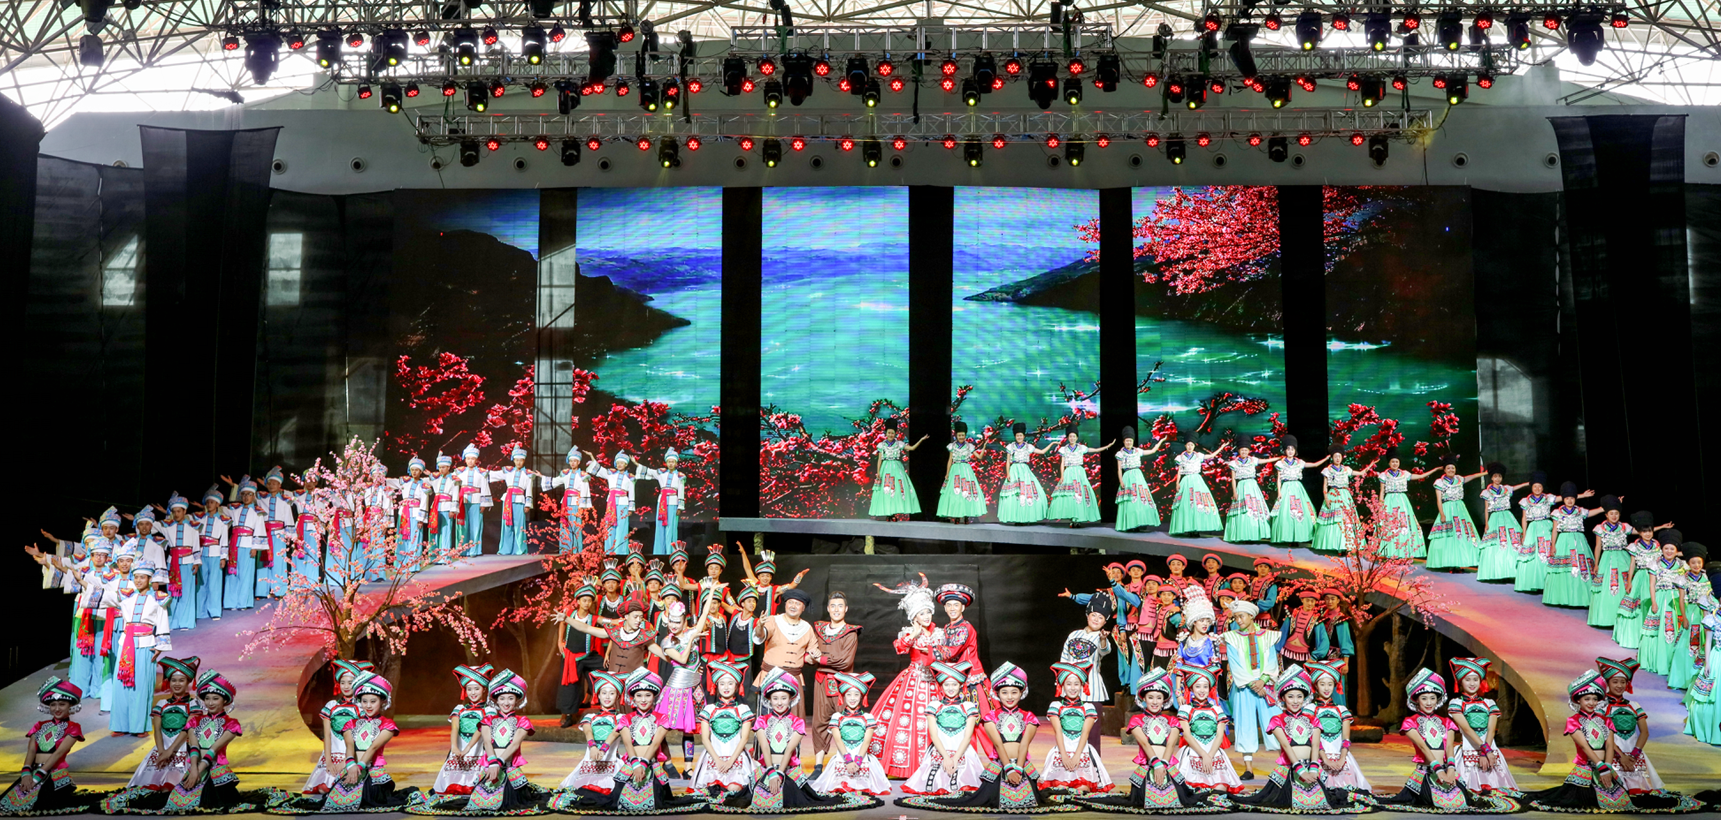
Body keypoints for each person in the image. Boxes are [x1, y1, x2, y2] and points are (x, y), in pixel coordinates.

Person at [1524, 671, 1704, 813]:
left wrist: (1608, 767)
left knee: (1625, 803)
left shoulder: (1605, 719)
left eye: (1595, 699)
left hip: (1607, 767)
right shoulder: (1573, 721)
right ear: (1578, 700)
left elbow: (1609, 744)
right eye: (1587, 699)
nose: (1592, 702)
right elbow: (1585, 747)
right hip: (1586, 769)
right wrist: (1601, 767)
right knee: (1575, 802)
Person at [100, 671, 273, 814]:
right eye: (207, 698)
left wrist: (197, 770)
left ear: (225, 701)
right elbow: (194, 747)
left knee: (211, 803)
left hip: (215, 770)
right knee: (173, 802)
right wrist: (193, 769)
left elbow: (213, 749)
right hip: (195, 767)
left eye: (215, 699)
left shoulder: (232, 724)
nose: (210, 703)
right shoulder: (195, 721)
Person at [898, 662, 1056, 813]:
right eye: (1004, 692)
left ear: (1022, 693)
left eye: (1014, 692)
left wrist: (1019, 770)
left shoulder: (1028, 717)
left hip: (1022, 766)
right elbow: (998, 744)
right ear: (997, 694)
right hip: (1001, 766)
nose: (1009, 696)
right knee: (991, 800)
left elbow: (1024, 745)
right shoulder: (991, 717)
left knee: (1030, 802)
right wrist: (1008, 769)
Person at [1074, 668, 1223, 813]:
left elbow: (1171, 744)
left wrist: (1163, 764)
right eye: (1150, 697)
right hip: (1147, 767)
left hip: (1168, 767)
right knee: (1145, 802)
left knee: (1181, 800)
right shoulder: (1136, 720)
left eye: (1159, 698)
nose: (1155, 702)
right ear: (1143, 699)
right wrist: (1156, 764)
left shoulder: (1172, 720)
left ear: (1164, 700)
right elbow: (1144, 743)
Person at [1377, 668, 1520, 813]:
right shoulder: (1410, 722)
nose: (1429, 702)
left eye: (1432, 698)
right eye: (1424, 698)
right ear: (1417, 700)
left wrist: (1451, 769)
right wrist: (1438, 770)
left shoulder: (1447, 722)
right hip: (1425, 774)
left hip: (1447, 771)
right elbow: (1423, 747)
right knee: (1438, 803)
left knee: (1463, 802)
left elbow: (1450, 747)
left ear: (1437, 700)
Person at [1231, 666, 1371, 813]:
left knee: (1323, 803)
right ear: (1283, 698)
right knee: (1281, 803)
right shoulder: (1277, 720)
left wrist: (1314, 768)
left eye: (1299, 696)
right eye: (1290, 696)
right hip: (1290, 768)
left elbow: (1316, 745)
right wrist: (1300, 770)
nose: (1295, 701)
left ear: (1304, 699)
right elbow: (1286, 746)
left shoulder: (1313, 719)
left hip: (1312, 767)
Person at [277, 672, 419, 813]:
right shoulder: (351, 723)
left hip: (373, 772)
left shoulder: (387, 724)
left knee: (367, 798)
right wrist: (351, 765)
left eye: (373, 701)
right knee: (334, 801)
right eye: (364, 701)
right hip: (351, 768)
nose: (368, 706)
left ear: (382, 701)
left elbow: (373, 747)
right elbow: (349, 746)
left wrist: (359, 767)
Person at [422, 669, 551, 815]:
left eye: (510, 698)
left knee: (510, 803)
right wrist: (493, 762)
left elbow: (515, 744)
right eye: (502, 698)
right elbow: (487, 743)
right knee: (478, 803)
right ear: (496, 700)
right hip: (490, 767)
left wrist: (499, 762)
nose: (506, 702)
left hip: (510, 769)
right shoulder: (488, 720)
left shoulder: (523, 721)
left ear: (517, 700)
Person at [732, 671, 860, 812]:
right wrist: (771, 772)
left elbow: (789, 750)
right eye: (775, 698)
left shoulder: (797, 722)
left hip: (788, 770)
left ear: (790, 699)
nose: (779, 702)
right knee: (757, 801)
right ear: (769, 700)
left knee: (789, 800)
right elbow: (765, 748)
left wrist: (780, 773)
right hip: (767, 768)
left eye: (783, 698)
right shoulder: (762, 720)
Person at [870, 576, 944, 779]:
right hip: (912, 682)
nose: (926, 616)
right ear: (914, 616)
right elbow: (900, 648)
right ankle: (904, 766)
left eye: (928, 612)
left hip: (935, 682)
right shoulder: (908, 632)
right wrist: (914, 634)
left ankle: (933, 764)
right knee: (905, 723)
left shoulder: (939, 633)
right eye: (922, 613)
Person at [0, 678, 94, 816]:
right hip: (33, 771)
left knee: (36, 806)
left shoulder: (73, 728)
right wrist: (26, 773)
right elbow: (31, 750)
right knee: (6, 804)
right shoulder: (39, 725)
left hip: (54, 774)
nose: (57, 708)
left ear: (70, 706)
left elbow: (59, 753)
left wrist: (38, 776)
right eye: (53, 705)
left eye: (62, 704)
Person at [104, 564, 174, 736]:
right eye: (136, 577)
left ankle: (139, 726)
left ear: (150, 579)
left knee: (141, 686)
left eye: (142, 577)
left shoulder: (159, 599)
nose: (138, 580)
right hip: (126, 644)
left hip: (146, 645)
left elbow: (162, 621)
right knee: (121, 685)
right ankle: (120, 725)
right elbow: (101, 596)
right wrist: (79, 579)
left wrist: (160, 647)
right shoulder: (126, 596)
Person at [901, 661, 987, 796]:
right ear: (941, 686)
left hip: (963, 751)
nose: (950, 688)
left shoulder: (968, 707)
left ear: (961, 685)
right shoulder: (934, 706)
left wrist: (955, 758)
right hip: (940, 750)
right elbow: (934, 735)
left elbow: (968, 736)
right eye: (946, 685)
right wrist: (946, 758)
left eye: (954, 684)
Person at [648, 599, 712, 775]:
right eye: (671, 621)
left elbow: (704, 615)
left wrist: (711, 592)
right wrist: (692, 640)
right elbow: (683, 660)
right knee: (662, 728)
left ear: (684, 621)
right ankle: (656, 761)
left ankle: (688, 768)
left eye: (678, 621)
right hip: (676, 688)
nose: (673, 625)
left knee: (689, 731)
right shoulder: (667, 642)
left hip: (694, 687)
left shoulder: (691, 632)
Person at [1223, 599, 1281, 780]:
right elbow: (1235, 665)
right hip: (1245, 686)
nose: (1238, 620)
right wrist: (1253, 684)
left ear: (1251, 616)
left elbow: (1272, 661)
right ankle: (1248, 768)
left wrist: (1263, 681)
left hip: (1266, 684)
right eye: (1236, 617)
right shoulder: (1232, 637)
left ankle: (1284, 764)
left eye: (1241, 616)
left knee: (1274, 722)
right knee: (1245, 723)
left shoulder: (1268, 636)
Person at [124, 656, 202, 792]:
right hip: (161, 749)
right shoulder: (162, 704)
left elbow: (187, 730)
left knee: (172, 787)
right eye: (174, 680)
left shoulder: (193, 704)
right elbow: (157, 730)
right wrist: (161, 752)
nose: (177, 684)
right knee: (148, 787)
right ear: (169, 681)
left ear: (188, 681)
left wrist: (170, 752)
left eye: (181, 680)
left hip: (182, 749)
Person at [808, 671, 889, 797]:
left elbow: (866, 742)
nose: (852, 698)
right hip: (843, 757)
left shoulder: (868, 718)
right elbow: (838, 740)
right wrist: (848, 761)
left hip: (861, 758)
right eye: (849, 694)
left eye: (856, 694)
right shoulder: (837, 717)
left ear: (861, 696)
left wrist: (857, 761)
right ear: (843, 696)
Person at [1445, 658, 1518, 796]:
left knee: (1499, 794)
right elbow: (1467, 729)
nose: (1472, 683)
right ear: (1460, 682)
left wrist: (1486, 752)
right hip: (1469, 749)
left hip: (1490, 750)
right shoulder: (1456, 703)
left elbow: (1491, 730)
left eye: (1475, 679)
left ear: (1480, 681)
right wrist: (1484, 749)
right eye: (1468, 680)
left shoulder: (1489, 703)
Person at [809, 592, 863, 776]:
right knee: (819, 722)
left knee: (845, 721)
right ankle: (818, 766)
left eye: (840, 606)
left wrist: (820, 659)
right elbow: (809, 652)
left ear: (846, 609)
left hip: (841, 684)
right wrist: (810, 657)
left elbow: (844, 662)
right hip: (821, 681)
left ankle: (848, 762)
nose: (836, 609)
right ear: (828, 608)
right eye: (833, 606)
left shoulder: (850, 633)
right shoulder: (819, 629)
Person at [1040, 663, 1113, 794]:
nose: (1073, 688)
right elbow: (1058, 731)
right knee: (1058, 788)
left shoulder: (1088, 707)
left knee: (1083, 789)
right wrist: (1064, 756)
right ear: (1062, 685)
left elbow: (1085, 733)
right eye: (1069, 684)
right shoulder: (1056, 706)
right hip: (1061, 751)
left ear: (1082, 686)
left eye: (1076, 684)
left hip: (1082, 751)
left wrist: (1076, 756)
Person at [1595, 657, 1663, 794]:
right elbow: (1602, 734)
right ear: (1607, 682)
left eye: (1623, 682)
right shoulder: (1601, 706)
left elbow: (1644, 732)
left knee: (1641, 794)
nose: (1619, 685)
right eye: (1615, 682)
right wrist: (1621, 756)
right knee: (1615, 793)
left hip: (1633, 755)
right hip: (1611, 754)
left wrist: (1634, 756)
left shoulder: (1634, 705)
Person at [688, 663, 757, 799]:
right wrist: (718, 761)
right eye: (722, 684)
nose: (726, 687)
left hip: (736, 758)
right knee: (710, 792)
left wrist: (730, 762)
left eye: (730, 683)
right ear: (716, 686)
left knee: (734, 791)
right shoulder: (709, 709)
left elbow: (744, 739)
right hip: (713, 758)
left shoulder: (743, 709)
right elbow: (705, 739)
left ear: (737, 686)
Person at [303, 659, 370, 794]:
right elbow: (327, 735)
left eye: (350, 682)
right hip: (332, 755)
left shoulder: (361, 708)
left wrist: (346, 762)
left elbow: (361, 739)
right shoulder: (331, 706)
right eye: (342, 682)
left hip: (352, 756)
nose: (346, 686)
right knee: (323, 789)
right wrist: (328, 761)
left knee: (344, 788)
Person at [430, 664, 495, 797]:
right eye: (469, 689)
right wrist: (454, 746)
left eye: (476, 688)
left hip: (478, 747)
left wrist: (468, 749)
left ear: (484, 689)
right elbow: (455, 728)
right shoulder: (459, 708)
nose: (473, 692)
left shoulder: (489, 710)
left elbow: (481, 729)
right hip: (460, 746)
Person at [1174, 666, 1241, 795]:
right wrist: (1203, 755)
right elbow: (1187, 735)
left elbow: (1220, 736)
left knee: (1220, 790)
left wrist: (1209, 756)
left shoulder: (1217, 710)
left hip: (1214, 753)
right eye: (1198, 686)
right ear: (1191, 688)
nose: (1202, 690)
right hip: (1193, 753)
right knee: (1191, 791)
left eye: (1205, 686)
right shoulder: (1185, 709)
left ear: (1210, 688)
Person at [1307, 661, 1371, 795]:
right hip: (1318, 756)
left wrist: (1342, 759)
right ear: (1315, 686)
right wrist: (1325, 759)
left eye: (1330, 684)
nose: (1326, 688)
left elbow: (1346, 739)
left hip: (1341, 757)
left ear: (1335, 685)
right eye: (1322, 684)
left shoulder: (1342, 710)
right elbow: (1312, 738)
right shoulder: (1310, 709)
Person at [752, 588, 817, 719]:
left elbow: (812, 654)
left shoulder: (807, 628)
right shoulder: (773, 620)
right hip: (771, 676)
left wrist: (812, 657)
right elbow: (761, 635)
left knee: (793, 720)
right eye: (790, 602)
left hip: (794, 678)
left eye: (797, 604)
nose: (793, 606)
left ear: (803, 608)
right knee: (767, 719)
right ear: (785, 604)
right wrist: (759, 626)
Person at [1057, 595, 1114, 728]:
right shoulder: (1073, 634)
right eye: (1094, 615)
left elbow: (1105, 651)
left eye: (1100, 617)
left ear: (1105, 622)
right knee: (1071, 727)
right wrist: (1061, 680)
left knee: (1092, 731)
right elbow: (1064, 658)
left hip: (1092, 689)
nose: (1096, 619)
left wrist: (1103, 639)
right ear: (1087, 615)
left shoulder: (1101, 637)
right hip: (1070, 688)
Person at [1545, 482, 1604, 608]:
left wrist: (1605, 508)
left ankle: (1581, 598)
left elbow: (1591, 512)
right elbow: (1554, 530)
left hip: (1579, 540)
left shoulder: (1580, 511)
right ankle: (1562, 597)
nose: (1570, 500)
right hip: (1563, 540)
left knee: (1581, 567)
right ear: (1563, 499)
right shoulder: (1557, 512)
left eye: (1572, 498)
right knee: (1564, 569)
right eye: (1567, 498)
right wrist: (1553, 545)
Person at [554, 582, 603, 727]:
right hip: (571, 656)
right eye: (584, 600)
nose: (587, 603)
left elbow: (608, 621)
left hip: (587, 655)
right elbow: (562, 623)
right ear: (578, 601)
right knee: (570, 686)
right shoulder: (570, 613)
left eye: (589, 600)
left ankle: (603, 704)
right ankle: (569, 715)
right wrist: (560, 641)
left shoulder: (593, 618)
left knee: (605, 668)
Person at [1425, 456, 1485, 572]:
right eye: (1448, 468)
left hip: (1460, 509)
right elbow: (1438, 500)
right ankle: (1449, 562)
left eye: (1453, 468)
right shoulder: (1440, 482)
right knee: (1448, 537)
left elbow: (1473, 476)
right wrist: (1442, 514)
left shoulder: (1459, 479)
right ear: (1444, 470)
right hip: (1447, 508)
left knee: (1462, 535)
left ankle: (1460, 563)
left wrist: (1485, 473)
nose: (1451, 470)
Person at [1047, 424, 1113, 526]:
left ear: (1077, 437)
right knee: (1070, 495)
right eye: (1070, 436)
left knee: (1080, 494)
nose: (1072, 438)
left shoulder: (1081, 448)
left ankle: (1078, 519)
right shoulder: (1064, 449)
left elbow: (1094, 450)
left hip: (1079, 472)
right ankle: (1072, 518)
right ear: (1067, 438)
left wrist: (1107, 446)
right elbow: (1062, 463)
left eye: (1074, 436)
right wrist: (1062, 476)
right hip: (1069, 472)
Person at [1367, 448, 1427, 560]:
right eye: (1393, 462)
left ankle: (1404, 553)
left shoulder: (1404, 474)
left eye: (1397, 462)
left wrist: (1435, 470)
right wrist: (1381, 506)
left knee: (1405, 524)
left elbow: (1420, 476)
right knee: (1389, 523)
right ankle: (1390, 553)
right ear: (1389, 463)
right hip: (1389, 500)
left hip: (1402, 500)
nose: (1395, 463)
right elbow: (1382, 491)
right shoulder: (1384, 475)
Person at [1270, 435, 1327, 545]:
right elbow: (1278, 479)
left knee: (1301, 511)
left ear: (1295, 451)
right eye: (1288, 449)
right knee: (1286, 513)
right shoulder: (1281, 463)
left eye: (1292, 449)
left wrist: (1326, 459)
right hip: (1286, 488)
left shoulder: (1299, 462)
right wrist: (1279, 492)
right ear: (1285, 450)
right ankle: (1288, 537)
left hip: (1297, 488)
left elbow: (1314, 465)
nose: (1290, 451)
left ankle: (1299, 537)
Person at [1476, 464, 1528, 582]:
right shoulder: (1487, 492)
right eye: (1495, 476)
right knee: (1495, 544)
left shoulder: (1506, 489)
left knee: (1512, 542)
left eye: (1499, 476)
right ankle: (1497, 571)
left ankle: (1511, 570)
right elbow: (1486, 508)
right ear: (1491, 478)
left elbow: (1515, 487)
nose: (1497, 478)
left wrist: (1526, 484)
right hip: (1494, 517)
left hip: (1507, 517)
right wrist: (1486, 523)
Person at [868, 419, 927, 519]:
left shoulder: (899, 444)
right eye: (889, 433)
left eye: (892, 433)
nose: (890, 435)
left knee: (897, 490)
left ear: (895, 433)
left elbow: (912, 448)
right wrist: (878, 472)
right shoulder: (882, 445)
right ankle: (888, 513)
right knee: (886, 490)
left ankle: (893, 513)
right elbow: (879, 460)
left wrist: (921, 440)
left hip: (897, 468)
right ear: (886, 433)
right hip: (885, 468)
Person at [1310, 447, 1364, 555]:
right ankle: (1337, 546)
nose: (1337, 458)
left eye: (1339, 456)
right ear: (1332, 458)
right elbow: (1325, 487)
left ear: (1342, 458)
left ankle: (1346, 546)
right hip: (1333, 495)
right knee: (1335, 520)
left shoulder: (1346, 469)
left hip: (1345, 495)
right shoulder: (1328, 470)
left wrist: (1370, 466)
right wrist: (1326, 498)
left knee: (1346, 520)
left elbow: (1360, 473)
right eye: (1335, 456)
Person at [997, 422, 1053, 524]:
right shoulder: (1010, 446)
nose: (1019, 437)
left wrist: (1052, 444)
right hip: (1014, 470)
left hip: (1024, 470)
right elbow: (1008, 461)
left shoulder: (1028, 446)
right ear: (1015, 436)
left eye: (1021, 435)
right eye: (1017, 435)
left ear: (1024, 436)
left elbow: (1042, 452)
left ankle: (1025, 517)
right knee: (1014, 494)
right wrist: (1008, 473)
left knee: (1026, 492)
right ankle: (1017, 518)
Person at [1223, 443, 1276, 544]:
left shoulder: (1253, 460)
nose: (1244, 452)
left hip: (1252, 486)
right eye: (1242, 450)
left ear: (1249, 451)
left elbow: (1264, 461)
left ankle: (1254, 534)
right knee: (1243, 511)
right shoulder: (1234, 463)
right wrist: (1234, 492)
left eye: (1246, 450)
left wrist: (1278, 458)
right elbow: (1233, 479)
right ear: (1239, 451)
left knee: (1253, 509)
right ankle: (1243, 535)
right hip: (1241, 486)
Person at [488, 447, 536, 557]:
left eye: (521, 460)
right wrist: (480, 473)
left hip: (519, 500)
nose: (518, 462)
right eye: (516, 460)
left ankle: (520, 549)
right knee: (507, 525)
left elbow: (529, 490)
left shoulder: (528, 474)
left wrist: (528, 504)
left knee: (519, 526)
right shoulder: (508, 471)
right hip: (508, 500)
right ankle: (505, 549)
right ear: (513, 460)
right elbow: (493, 475)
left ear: (524, 461)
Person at [1114, 428, 1165, 532]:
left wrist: (1161, 441)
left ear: (1133, 441)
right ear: (1124, 441)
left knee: (1141, 500)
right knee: (1130, 501)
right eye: (1127, 441)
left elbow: (1152, 451)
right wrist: (1121, 481)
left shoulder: (1138, 451)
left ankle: (1140, 522)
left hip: (1138, 476)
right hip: (1127, 476)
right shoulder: (1120, 454)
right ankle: (1130, 524)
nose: (1129, 442)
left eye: (1130, 441)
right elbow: (1119, 469)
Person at [1169, 440, 1224, 536]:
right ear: (1185, 445)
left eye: (1192, 445)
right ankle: (1188, 528)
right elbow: (1179, 471)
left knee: (1198, 503)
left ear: (1194, 446)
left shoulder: (1198, 455)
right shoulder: (1180, 457)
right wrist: (1177, 482)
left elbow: (1211, 456)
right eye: (1188, 445)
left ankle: (1196, 529)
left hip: (1197, 481)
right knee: (1186, 504)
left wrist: (1222, 447)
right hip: (1186, 481)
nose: (1190, 447)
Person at [543, 446, 592, 553]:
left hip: (576, 503)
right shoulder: (566, 474)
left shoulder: (583, 475)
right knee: (565, 525)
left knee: (575, 525)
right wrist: (542, 477)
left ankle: (576, 550)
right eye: (571, 461)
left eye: (575, 461)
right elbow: (555, 481)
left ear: (578, 462)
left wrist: (582, 506)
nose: (572, 463)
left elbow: (585, 490)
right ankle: (565, 550)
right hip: (566, 503)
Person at [1515, 473, 1557, 594]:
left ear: (1542, 487)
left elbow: (1564, 498)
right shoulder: (1526, 501)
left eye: (1539, 486)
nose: (1537, 489)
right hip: (1533, 527)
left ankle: (1547, 583)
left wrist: (1582, 495)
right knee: (1531, 555)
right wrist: (1524, 533)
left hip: (1545, 526)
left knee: (1547, 552)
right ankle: (1532, 582)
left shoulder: (1548, 498)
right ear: (1532, 487)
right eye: (1535, 486)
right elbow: (1524, 518)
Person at [937, 422, 988, 523]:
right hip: (955, 469)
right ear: (956, 435)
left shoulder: (969, 446)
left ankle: (966, 515)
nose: (961, 437)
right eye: (959, 435)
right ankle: (957, 515)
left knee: (967, 491)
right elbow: (950, 460)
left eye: (963, 435)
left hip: (966, 470)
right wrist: (947, 473)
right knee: (955, 492)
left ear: (965, 435)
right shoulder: (952, 446)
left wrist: (984, 448)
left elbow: (979, 457)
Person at [640, 448, 687, 555]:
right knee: (660, 527)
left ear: (676, 463)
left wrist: (680, 506)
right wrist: (636, 464)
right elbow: (649, 471)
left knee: (671, 527)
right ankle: (659, 552)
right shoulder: (661, 473)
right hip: (662, 502)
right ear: (666, 462)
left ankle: (670, 552)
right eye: (669, 461)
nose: (671, 464)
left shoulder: (680, 476)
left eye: (673, 462)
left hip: (673, 502)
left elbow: (681, 491)